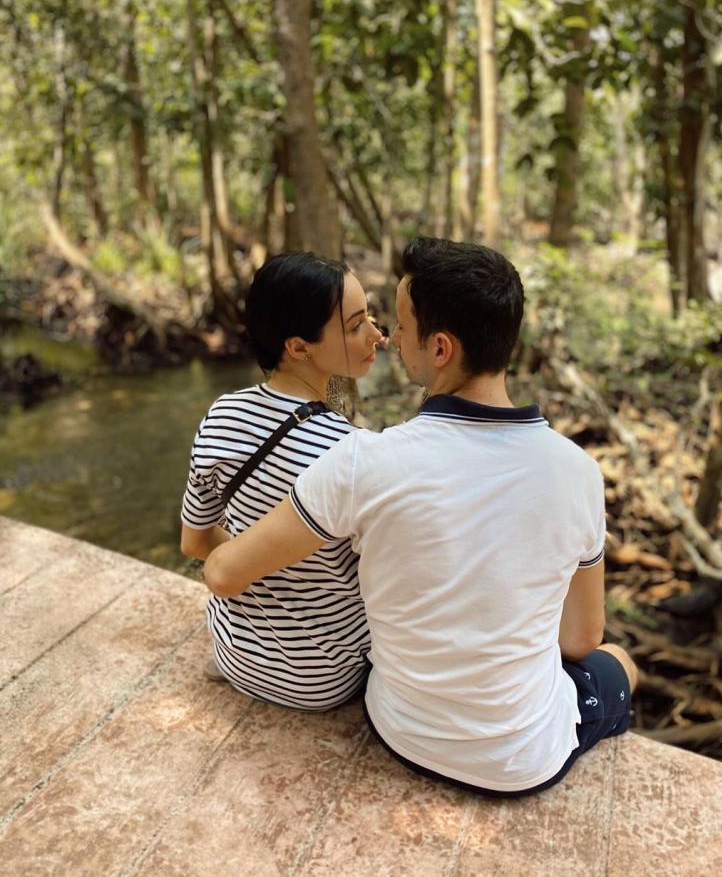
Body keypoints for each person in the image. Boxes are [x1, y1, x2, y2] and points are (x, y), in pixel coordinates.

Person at [202, 237, 637, 795]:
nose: (388, 337)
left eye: (401, 325)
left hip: (401, 732)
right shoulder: (577, 473)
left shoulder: (363, 462)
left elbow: (223, 572)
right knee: (619, 659)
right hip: (522, 761)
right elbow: (580, 637)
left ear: (440, 349)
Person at [180, 252, 383, 710]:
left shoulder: (221, 416)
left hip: (235, 655)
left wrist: (266, 563)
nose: (376, 334)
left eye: (370, 316)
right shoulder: (353, 452)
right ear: (298, 347)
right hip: (323, 680)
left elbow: (194, 542)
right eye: (355, 326)